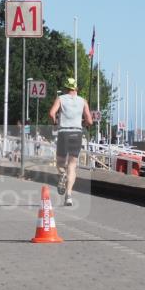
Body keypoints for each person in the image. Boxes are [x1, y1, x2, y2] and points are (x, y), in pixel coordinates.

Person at [49, 76, 93, 207]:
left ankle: (62, 174)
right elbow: (90, 121)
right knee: (72, 165)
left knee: (60, 163)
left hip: (64, 133)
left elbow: (52, 113)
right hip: (77, 133)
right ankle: (68, 196)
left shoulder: (61, 99)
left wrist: (56, 123)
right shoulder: (83, 101)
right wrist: (83, 123)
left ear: (66, 88)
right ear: (76, 89)